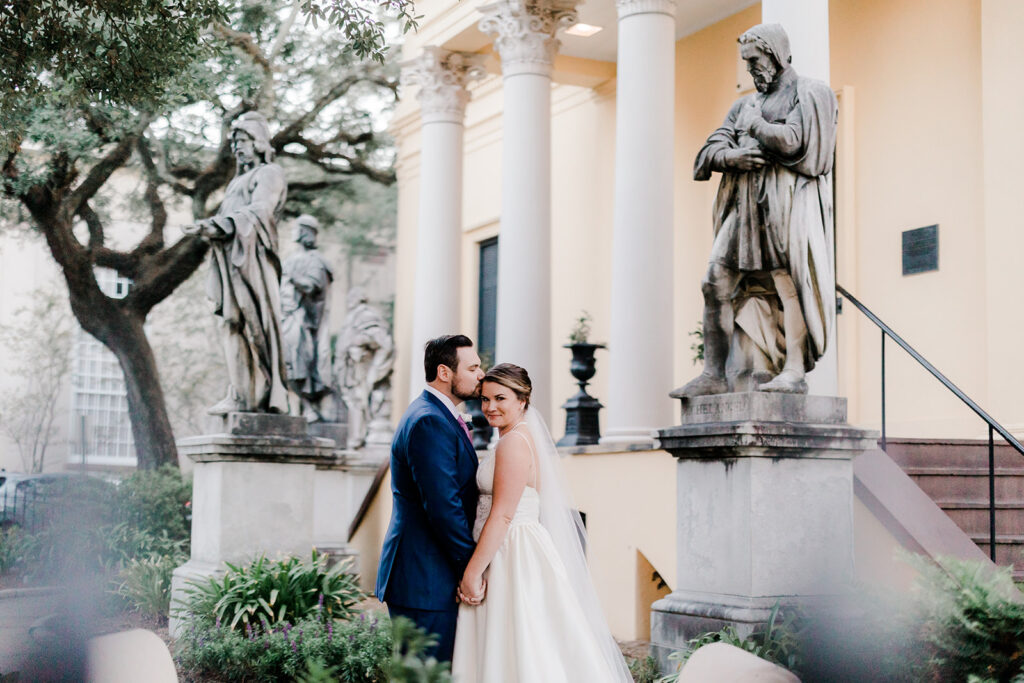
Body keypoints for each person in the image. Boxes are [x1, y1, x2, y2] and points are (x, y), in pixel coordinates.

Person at [678, 23, 838, 396]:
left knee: (788, 281)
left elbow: (799, 144)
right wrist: (733, 155)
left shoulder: (810, 93)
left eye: (755, 60)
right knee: (714, 280)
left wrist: (756, 126)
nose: (750, 69)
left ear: (777, 55)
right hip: (744, 206)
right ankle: (713, 374)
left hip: (786, 202)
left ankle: (794, 369)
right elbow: (706, 155)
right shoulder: (743, 104)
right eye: (746, 61)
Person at [451, 363, 632, 682]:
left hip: (511, 552)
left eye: (500, 398)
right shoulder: (516, 438)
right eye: (485, 399)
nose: (490, 407)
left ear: (522, 401)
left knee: (522, 641)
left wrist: (472, 573)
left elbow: (503, 514)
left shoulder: (514, 443)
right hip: (507, 546)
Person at [375, 334, 485, 662]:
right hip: (424, 578)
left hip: (430, 575)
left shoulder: (438, 415)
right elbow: (443, 507)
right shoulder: (428, 421)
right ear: (445, 372)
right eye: (473, 367)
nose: (481, 374)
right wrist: (471, 570)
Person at [185, 111, 290, 414]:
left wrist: (220, 226)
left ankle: (268, 392)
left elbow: (261, 209)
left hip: (254, 259)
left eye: (242, 140)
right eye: (234, 142)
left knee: (257, 325)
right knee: (231, 323)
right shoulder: (236, 182)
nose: (237, 147)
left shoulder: (269, 174)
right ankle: (239, 394)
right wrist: (208, 226)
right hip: (229, 258)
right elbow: (229, 217)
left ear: (258, 141)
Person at [280, 214, 334, 422]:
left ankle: (308, 406)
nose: (293, 232)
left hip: (302, 321)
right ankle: (296, 406)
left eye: (296, 228)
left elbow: (313, 287)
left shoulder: (316, 261)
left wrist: (292, 278)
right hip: (285, 316)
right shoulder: (290, 260)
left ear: (305, 232)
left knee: (297, 361)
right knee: (285, 362)